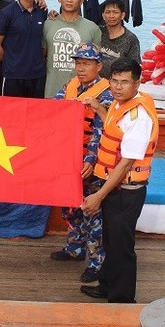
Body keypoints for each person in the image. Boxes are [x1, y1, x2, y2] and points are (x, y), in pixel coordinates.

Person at [80, 57, 159, 303]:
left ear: (137, 83)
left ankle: (122, 299)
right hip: (115, 189)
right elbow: (114, 126)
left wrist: (98, 195)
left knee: (122, 247)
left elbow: (126, 162)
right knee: (111, 241)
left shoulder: (138, 117)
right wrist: (98, 108)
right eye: (114, 81)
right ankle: (106, 285)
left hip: (126, 191)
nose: (117, 87)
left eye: (124, 82)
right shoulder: (119, 104)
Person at [50, 42, 112, 284]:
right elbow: (52, 109)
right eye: (77, 63)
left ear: (99, 66)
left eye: (86, 63)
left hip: (92, 162)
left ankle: (97, 262)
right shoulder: (71, 86)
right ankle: (74, 248)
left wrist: (90, 160)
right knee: (70, 205)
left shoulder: (106, 94)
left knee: (91, 210)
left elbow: (101, 131)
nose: (81, 68)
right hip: (67, 157)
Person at [0, 0, 47, 98]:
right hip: (13, 76)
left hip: (38, 75)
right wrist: (13, 61)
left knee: (36, 114)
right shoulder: (6, 13)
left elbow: (44, 41)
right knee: (12, 115)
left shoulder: (42, 11)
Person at [42, 0, 102, 98]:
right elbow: (43, 56)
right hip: (51, 91)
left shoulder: (92, 28)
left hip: (82, 95)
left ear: (81, 1)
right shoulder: (48, 24)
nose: (69, 0)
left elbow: (96, 63)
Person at [99, 0, 141, 79]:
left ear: (122, 15)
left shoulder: (130, 39)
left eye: (115, 12)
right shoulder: (97, 32)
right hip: (96, 83)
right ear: (103, 16)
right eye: (108, 12)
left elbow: (135, 67)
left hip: (117, 84)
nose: (111, 16)